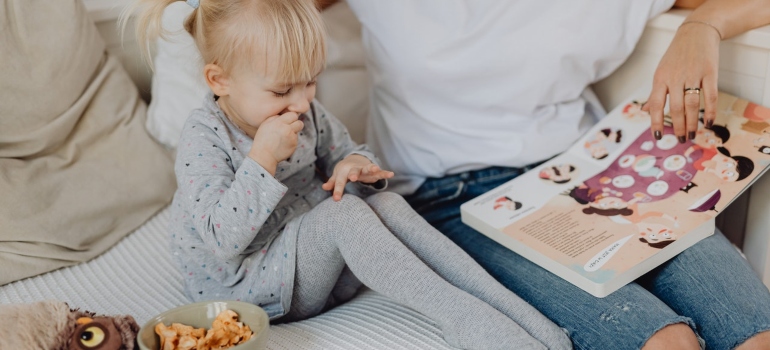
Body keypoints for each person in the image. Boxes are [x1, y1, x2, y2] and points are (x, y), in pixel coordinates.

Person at [123, 0, 574, 349]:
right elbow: (223, 240)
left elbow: (347, 153)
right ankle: (464, 321)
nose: (301, 102)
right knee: (345, 218)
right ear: (218, 80)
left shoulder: (303, 110)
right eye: (281, 90)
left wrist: (355, 167)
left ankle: (523, 319)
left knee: (387, 202)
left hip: (319, 272)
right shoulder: (204, 138)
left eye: (310, 82)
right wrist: (261, 161)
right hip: (252, 290)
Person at [322, 0, 770, 348]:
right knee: (665, 343)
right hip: (449, 199)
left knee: (756, 335)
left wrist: (702, 27)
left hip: (592, 173)